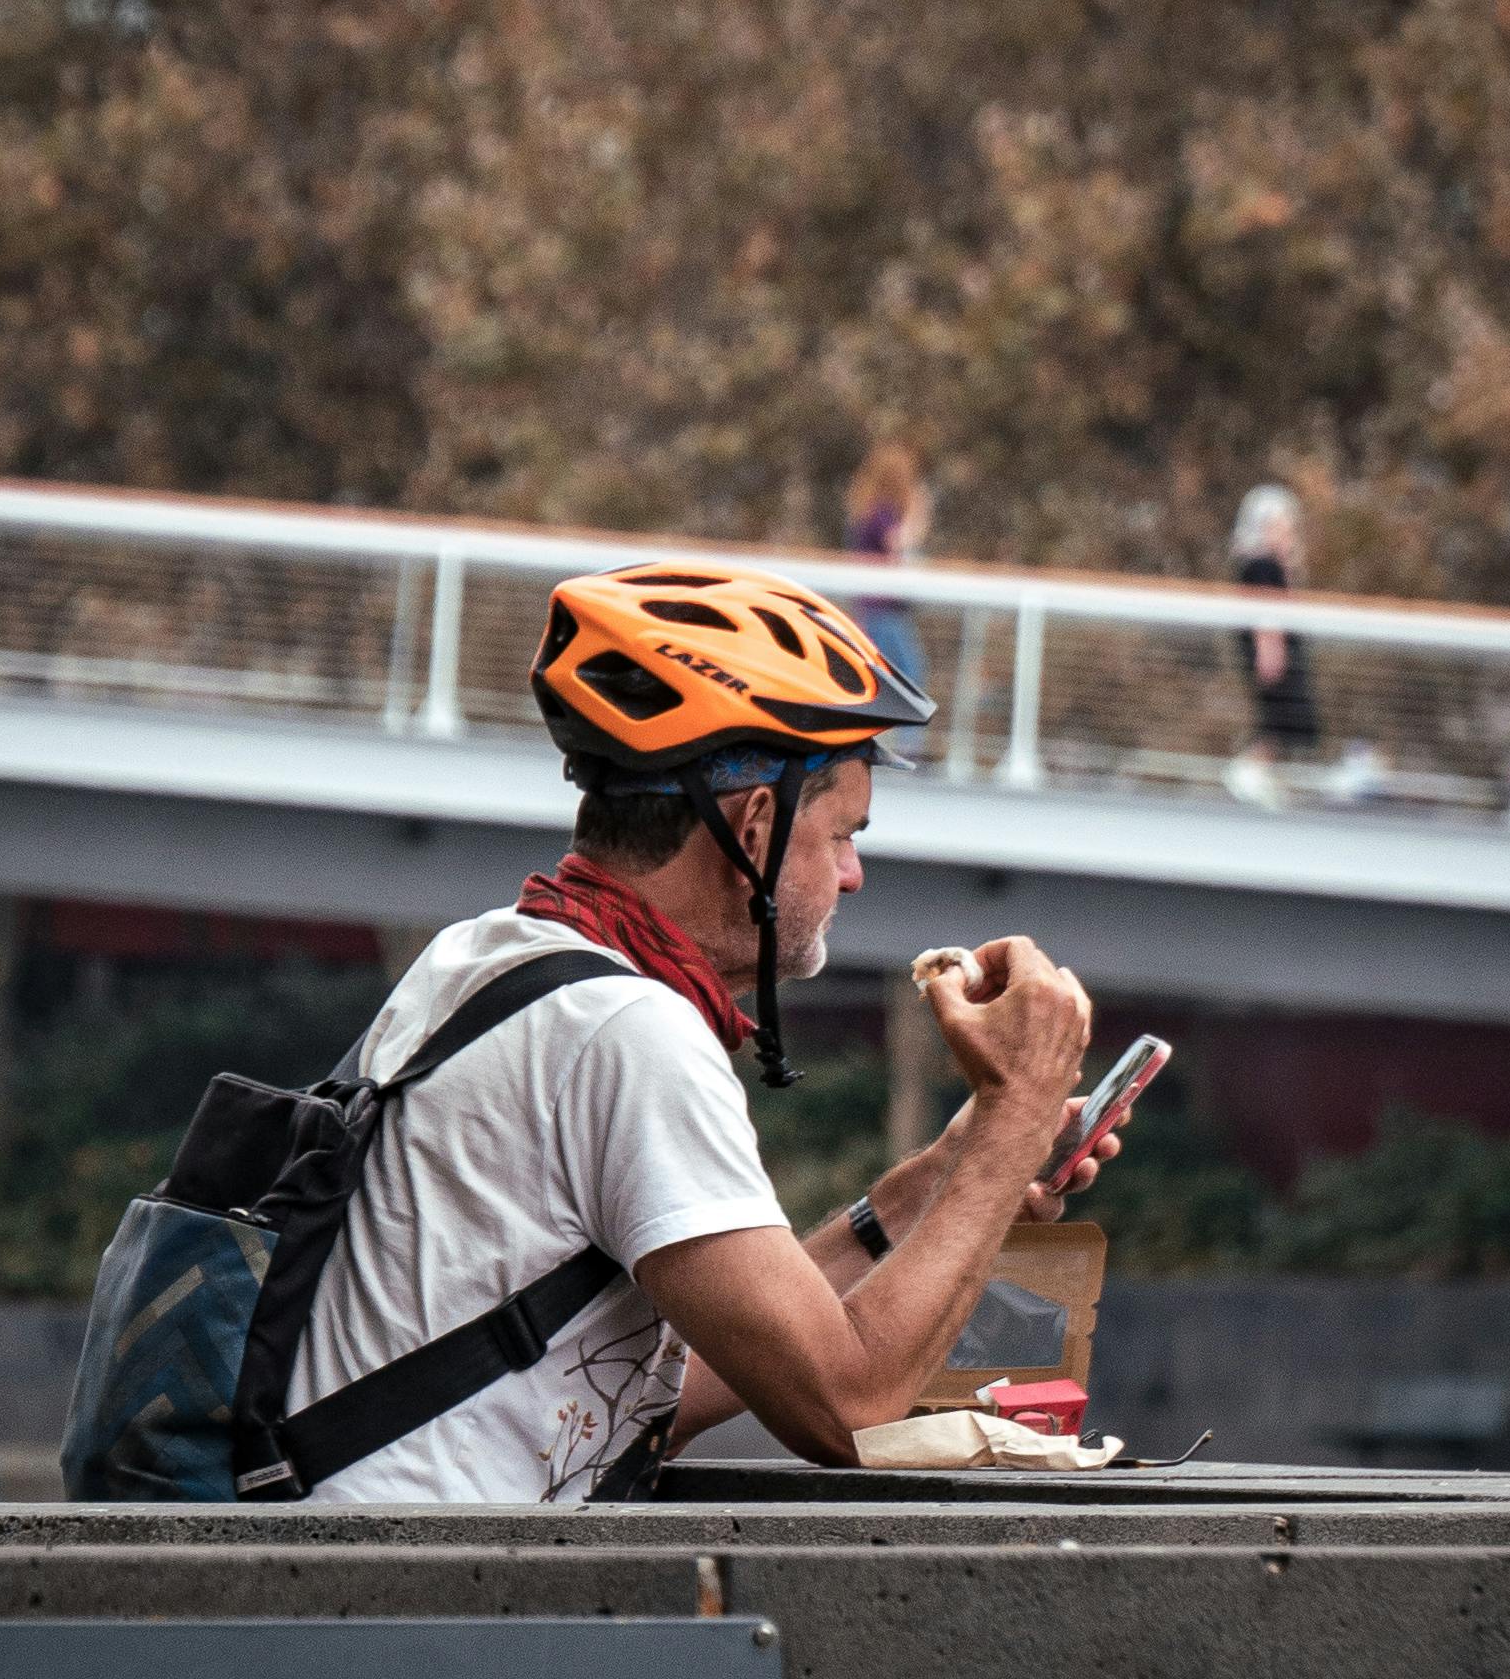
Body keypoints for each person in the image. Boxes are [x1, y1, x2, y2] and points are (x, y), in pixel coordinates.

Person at [282, 563, 1107, 1503]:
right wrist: (1017, 1110)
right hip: (413, 1611)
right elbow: (849, 1405)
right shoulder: (629, 1032)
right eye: (844, 834)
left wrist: (941, 1184)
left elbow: (653, 1384)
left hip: (371, 1578)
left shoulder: (488, 961)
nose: (851, 876)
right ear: (757, 828)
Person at [1222, 481, 1320, 809]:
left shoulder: (1267, 564)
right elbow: (1267, 614)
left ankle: (1260, 774)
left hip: (1277, 652)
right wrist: (1270, 651)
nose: (1288, 530)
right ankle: (1249, 769)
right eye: (1282, 523)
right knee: (1284, 716)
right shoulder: (1263, 565)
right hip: (1275, 654)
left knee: (1287, 720)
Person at [842, 440, 933, 703]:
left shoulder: (873, 512)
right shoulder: (879, 514)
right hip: (880, 608)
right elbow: (899, 544)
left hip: (880, 607)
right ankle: (907, 743)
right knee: (907, 674)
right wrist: (919, 513)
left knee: (889, 675)